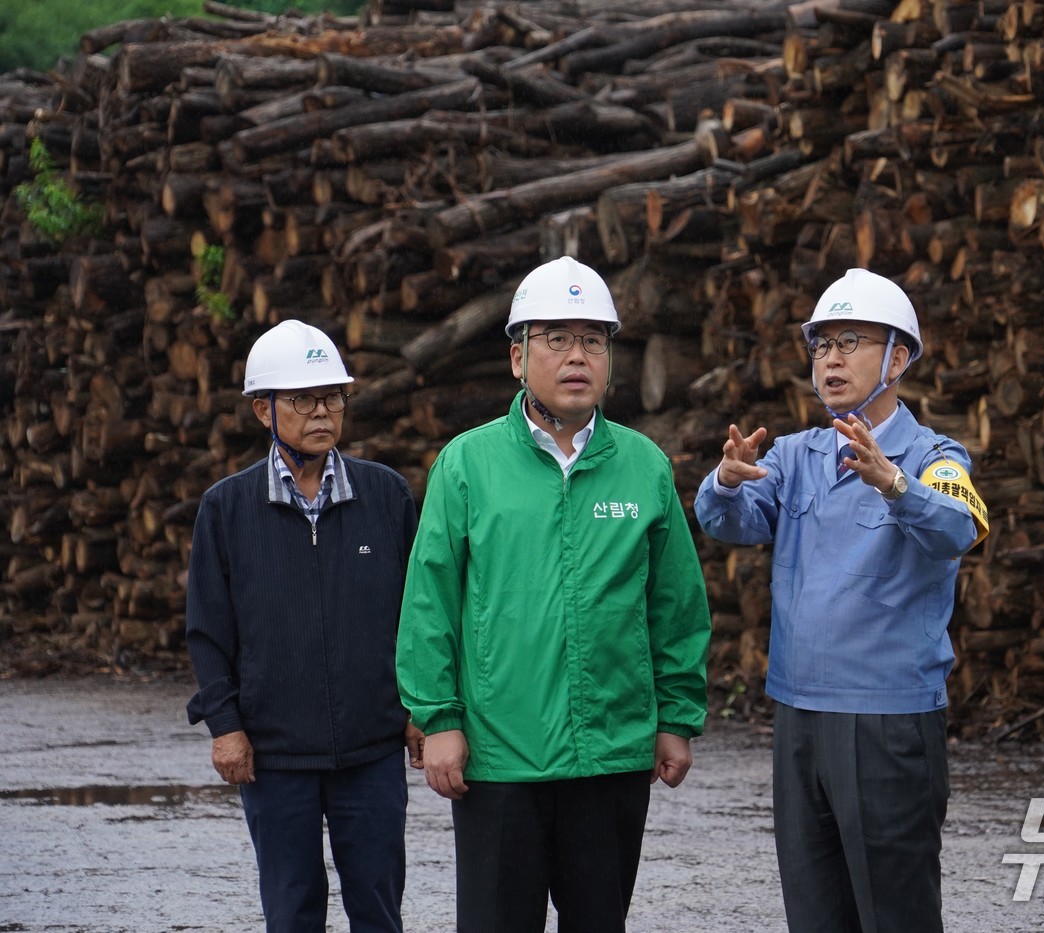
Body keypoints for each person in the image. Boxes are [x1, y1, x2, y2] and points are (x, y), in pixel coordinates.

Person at [395, 256, 711, 933]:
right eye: (556, 339)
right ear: (518, 357)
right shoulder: (468, 463)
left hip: (611, 754)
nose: (577, 356)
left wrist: (677, 716)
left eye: (593, 340)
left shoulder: (643, 465)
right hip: (499, 755)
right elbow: (429, 602)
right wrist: (439, 716)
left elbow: (676, 605)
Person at [694, 268, 988, 933]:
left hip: (888, 720)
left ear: (898, 357)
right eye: (821, 345)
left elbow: (958, 528)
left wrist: (895, 484)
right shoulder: (797, 454)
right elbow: (728, 522)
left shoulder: (935, 454)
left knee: (895, 910)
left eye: (850, 341)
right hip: (799, 713)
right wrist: (725, 480)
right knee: (814, 906)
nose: (830, 358)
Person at [185, 320, 422, 933]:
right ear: (263, 411)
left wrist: (424, 707)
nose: (322, 412)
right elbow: (207, 630)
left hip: (371, 749)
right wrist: (226, 726)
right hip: (273, 753)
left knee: (378, 906)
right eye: (302, 400)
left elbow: (421, 614)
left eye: (332, 397)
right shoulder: (227, 508)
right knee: (291, 911)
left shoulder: (386, 494)